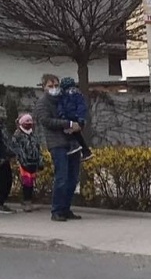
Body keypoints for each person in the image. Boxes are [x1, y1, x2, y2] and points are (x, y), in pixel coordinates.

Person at [36, 73, 82, 222]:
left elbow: (76, 112)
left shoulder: (65, 98)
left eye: (56, 85)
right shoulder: (43, 103)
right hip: (57, 143)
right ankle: (56, 210)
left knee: (73, 177)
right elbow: (46, 121)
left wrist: (78, 124)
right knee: (61, 177)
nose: (54, 88)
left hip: (72, 142)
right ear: (44, 87)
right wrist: (67, 124)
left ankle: (66, 208)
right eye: (50, 86)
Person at [11, 114, 45, 213]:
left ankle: (29, 200)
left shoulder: (33, 134)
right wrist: (23, 161)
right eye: (27, 123)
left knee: (31, 182)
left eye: (30, 123)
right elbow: (17, 149)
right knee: (27, 182)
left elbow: (38, 149)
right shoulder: (17, 135)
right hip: (24, 163)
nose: (29, 125)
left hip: (33, 162)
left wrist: (40, 161)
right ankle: (26, 202)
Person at [56, 77, 93, 161]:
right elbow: (81, 106)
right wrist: (81, 118)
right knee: (77, 134)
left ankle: (76, 147)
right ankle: (85, 151)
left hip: (71, 118)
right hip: (74, 118)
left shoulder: (64, 95)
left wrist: (62, 115)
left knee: (72, 132)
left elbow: (61, 106)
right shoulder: (76, 94)